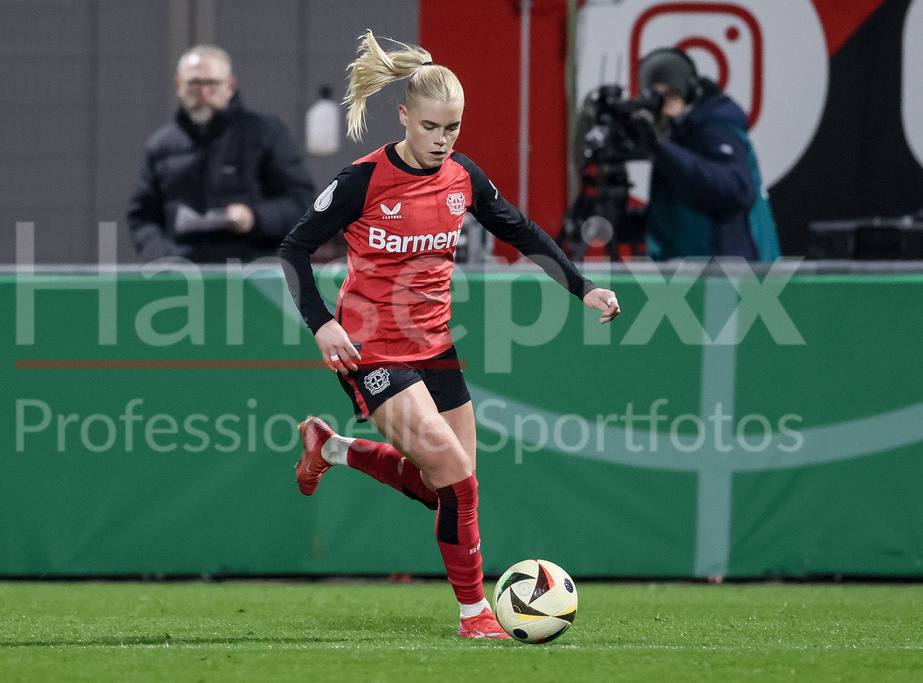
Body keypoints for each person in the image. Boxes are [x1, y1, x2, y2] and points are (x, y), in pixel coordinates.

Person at [278, 31, 621, 639]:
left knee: (448, 490)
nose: (442, 140)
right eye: (431, 126)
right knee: (458, 481)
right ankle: (475, 614)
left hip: (435, 348)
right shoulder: (362, 180)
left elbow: (519, 230)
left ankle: (331, 449)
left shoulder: (462, 176)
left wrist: (582, 286)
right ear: (404, 116)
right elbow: (293, 249)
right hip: (371, 351)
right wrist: (322, 322)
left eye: (453, 128)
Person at [127, 45, 316, 263]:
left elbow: (302, 204)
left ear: (230, 86)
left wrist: (254, 217)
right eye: (195, 83)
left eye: (212, 83)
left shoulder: (265, 134)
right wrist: (163, 259)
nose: (204, 93)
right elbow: (142, 218)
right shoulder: (162, 146)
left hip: (253, 268)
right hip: (183, 273)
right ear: (179, 85)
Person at [638, 47, 780, 261]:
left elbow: (735, 190)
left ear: (689, 92)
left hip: (734, 272)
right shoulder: (674, 135)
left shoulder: (716, 125)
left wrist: (662, 149)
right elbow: (678, 214)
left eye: (671, 95)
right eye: (655, 98)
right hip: (688, 269)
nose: (663, 108)